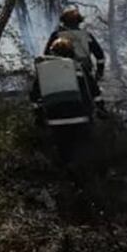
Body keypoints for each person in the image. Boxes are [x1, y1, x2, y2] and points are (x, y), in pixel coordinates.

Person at [30, 36, 100, 165]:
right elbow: (93, 91)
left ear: (52, 52)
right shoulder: (78, 67)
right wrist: (98, 110)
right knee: (84, 154)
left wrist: (39, 116)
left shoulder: (43, 70)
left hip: (55, 121)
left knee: (64, 154)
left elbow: (34, 96)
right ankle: (88, 180)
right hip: (80, 118)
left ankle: (70, 179)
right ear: (71, 52)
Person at [45, 7, 105, 82]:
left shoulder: (56, 35)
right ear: (79, 21)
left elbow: (46, 56)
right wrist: (99, 74)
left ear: (63, 21)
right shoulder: (87, 35)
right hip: (84, 73)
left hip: (61, 73)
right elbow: (100, 56)